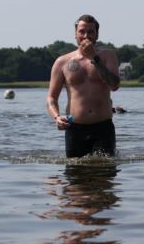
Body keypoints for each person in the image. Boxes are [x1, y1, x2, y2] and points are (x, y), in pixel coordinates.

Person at [47, 14, 121, 158]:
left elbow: (114, 85)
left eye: (90, 32)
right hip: (75, 128)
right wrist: (56, 117)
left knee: (104, 176)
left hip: (103, 127)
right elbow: (51, 98)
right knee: (75, 177)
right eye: (82, 31)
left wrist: (95, 58)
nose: (86, 35)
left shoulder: (107, 56)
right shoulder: (62, 62)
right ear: (75, 34)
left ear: (97, 35)